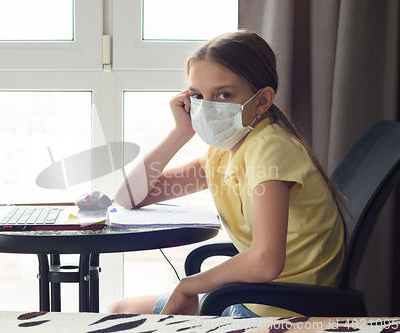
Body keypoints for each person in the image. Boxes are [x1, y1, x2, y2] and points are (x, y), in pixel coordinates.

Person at [108, 30, 346, 318]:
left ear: (262, 100)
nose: (207, 108)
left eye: (223, 94)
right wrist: (180, 132)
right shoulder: (223, 150)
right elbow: (129, 197)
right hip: (248, 295)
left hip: (281, 308)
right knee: (117, 310)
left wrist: (188, 286)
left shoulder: (271, 148)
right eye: (197, 96)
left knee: (122, 317)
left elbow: (265, 261)